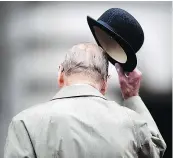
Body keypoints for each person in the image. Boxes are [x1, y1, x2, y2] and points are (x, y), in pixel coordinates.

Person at [4, 43, 166, 158]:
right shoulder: (132, 123)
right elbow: (156, 151)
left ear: (61, 74)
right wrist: (132, 96)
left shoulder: (24, 123)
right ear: (105, 83)